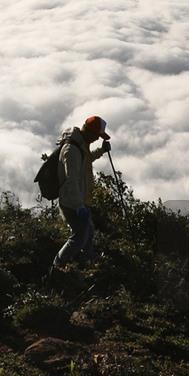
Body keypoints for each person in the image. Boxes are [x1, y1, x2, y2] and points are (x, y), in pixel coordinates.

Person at [51, 115, 111, 270]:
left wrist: (101, 150)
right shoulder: (72, 150)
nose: (98, 139)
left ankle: (88, 261)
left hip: (79, 199)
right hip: (72, 201)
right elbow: (71, 181)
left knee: (88, 232)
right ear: (90, 132)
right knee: (79, 237)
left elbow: (86, 160)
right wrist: (79, 206)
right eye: (97, 136)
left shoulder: (81, 144)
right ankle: (57, 266)